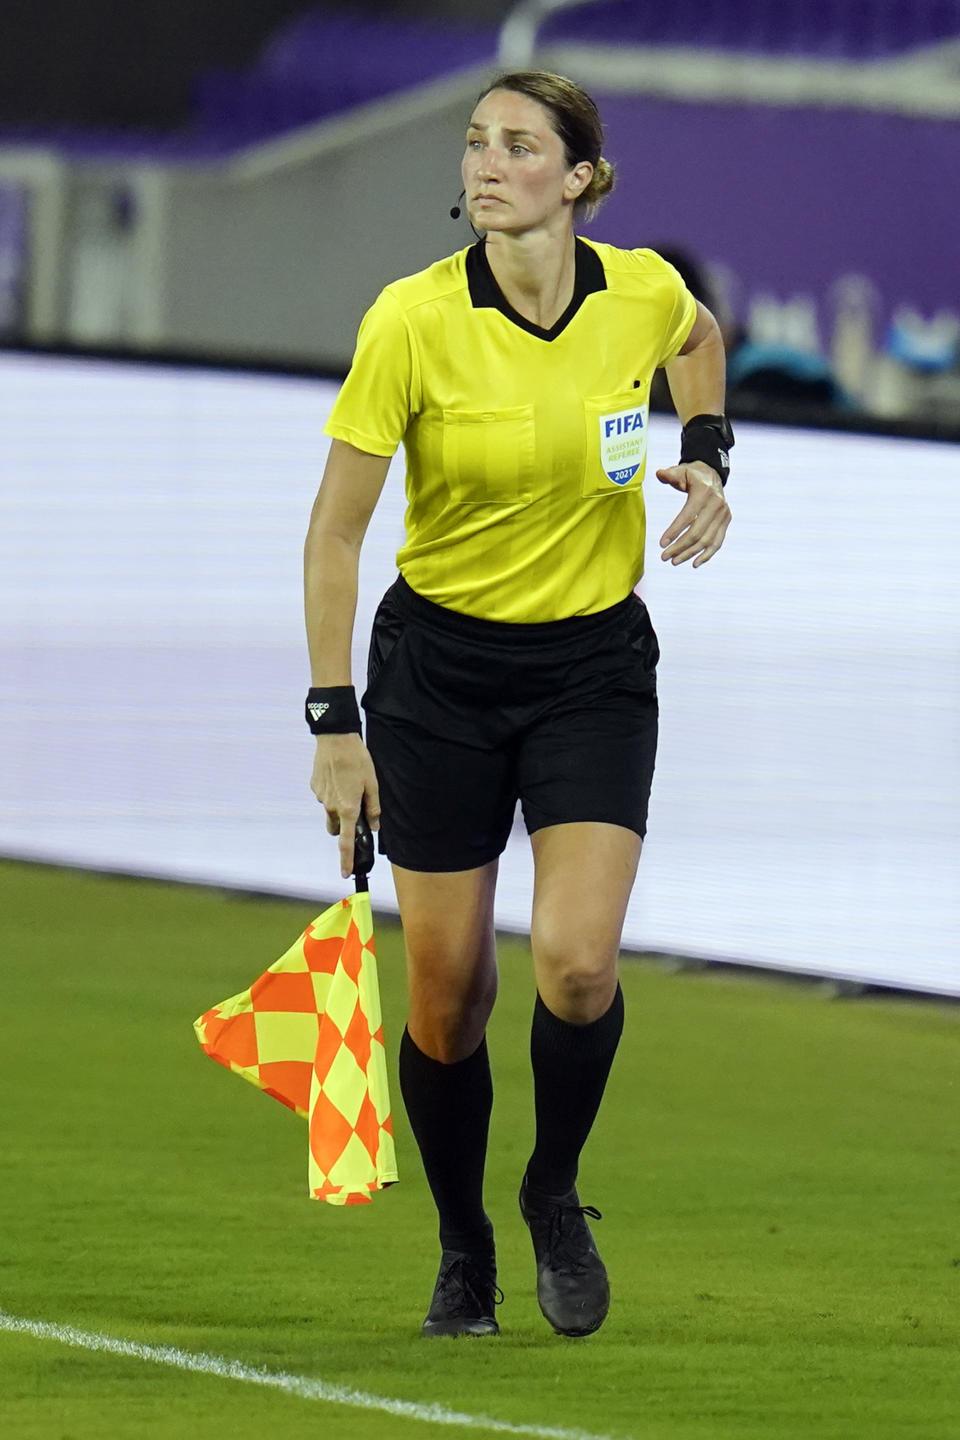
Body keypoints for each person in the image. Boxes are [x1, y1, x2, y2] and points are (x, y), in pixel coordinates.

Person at [303, 70, 732, 1339]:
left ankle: (552, 1190)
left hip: (593, 666)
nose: (489, 164)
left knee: (578, 966)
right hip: (437, 673)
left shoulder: (641, 289)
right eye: (478, 143)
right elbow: (336, 537)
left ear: (582, 179)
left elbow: (701, 339)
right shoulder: (411, 321)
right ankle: (462, 1246)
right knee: (446, 997)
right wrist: (336, 726)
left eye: (522, 146)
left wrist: (707, 454)